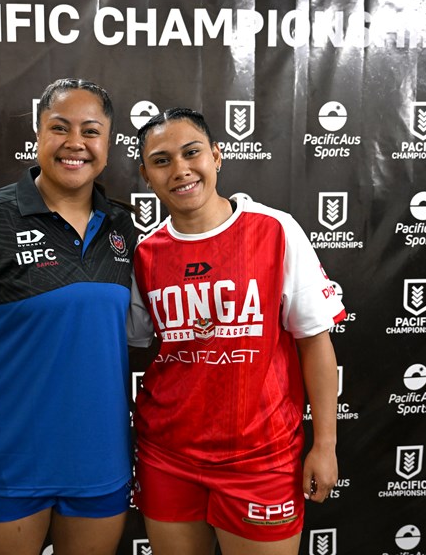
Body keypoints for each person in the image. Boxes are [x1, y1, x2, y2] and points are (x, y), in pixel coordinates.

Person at [0, 78, 136, 555]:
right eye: (59, 128)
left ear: (108, 142)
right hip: (9, 462)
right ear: (38, 135)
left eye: (91, 130)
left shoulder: (124, 226)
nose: (75, 143)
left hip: (101, 462)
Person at [127, 108, 346, 555]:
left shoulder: (275, 230)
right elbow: (129, 345)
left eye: (192, 153)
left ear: (217, 156)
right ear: (145, 175)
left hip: (261, 457)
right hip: (167, 455)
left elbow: (316, 344)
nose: (181, 170)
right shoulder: (145, 253)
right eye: (162, 160)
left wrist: (325, 445)